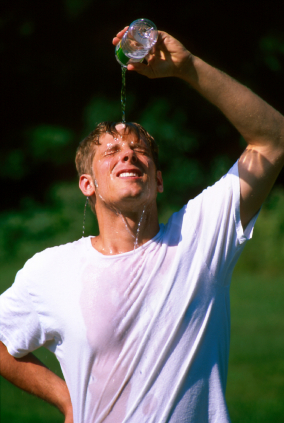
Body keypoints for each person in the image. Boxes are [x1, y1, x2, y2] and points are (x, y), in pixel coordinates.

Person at [0, 27, 283, 423]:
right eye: (111, 151)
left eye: (140, 151)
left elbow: (274, 140)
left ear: (159, 178)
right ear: (88, 185)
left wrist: (188, 68)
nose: (128, 155)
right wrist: (65, 399)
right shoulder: (51, 271)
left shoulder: (198, 239)